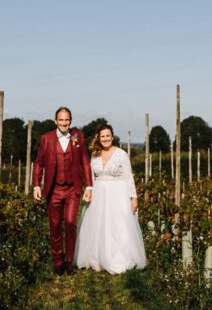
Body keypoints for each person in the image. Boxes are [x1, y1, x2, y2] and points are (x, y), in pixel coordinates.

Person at [73, 124, 147, 273]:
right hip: (99, 194)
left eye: (108, 136)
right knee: (98, 226)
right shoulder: (95, 154)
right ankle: (97, 258)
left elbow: (128, 177)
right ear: (98, 138)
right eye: (102, 136)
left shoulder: (121, 154)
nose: (105, 139)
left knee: (117, 227)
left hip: (118, 194)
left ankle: (117, 258)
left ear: (112, 137)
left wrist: (134, 198)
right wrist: (89, 191)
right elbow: (91, 177)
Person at [32, 106, 94, 275]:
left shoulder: (77, 136)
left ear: (70, 121)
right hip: (53, 189)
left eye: (67, 120)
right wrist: (36, 185)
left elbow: (85, 161)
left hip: (72, 189)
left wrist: (89, 185)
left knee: (70, 223)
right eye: (61, 120)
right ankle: (57, 260)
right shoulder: (46, 139)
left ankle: (69, 261)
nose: (64, 123)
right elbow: (39, 163)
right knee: (55, 225)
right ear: (55, 121)